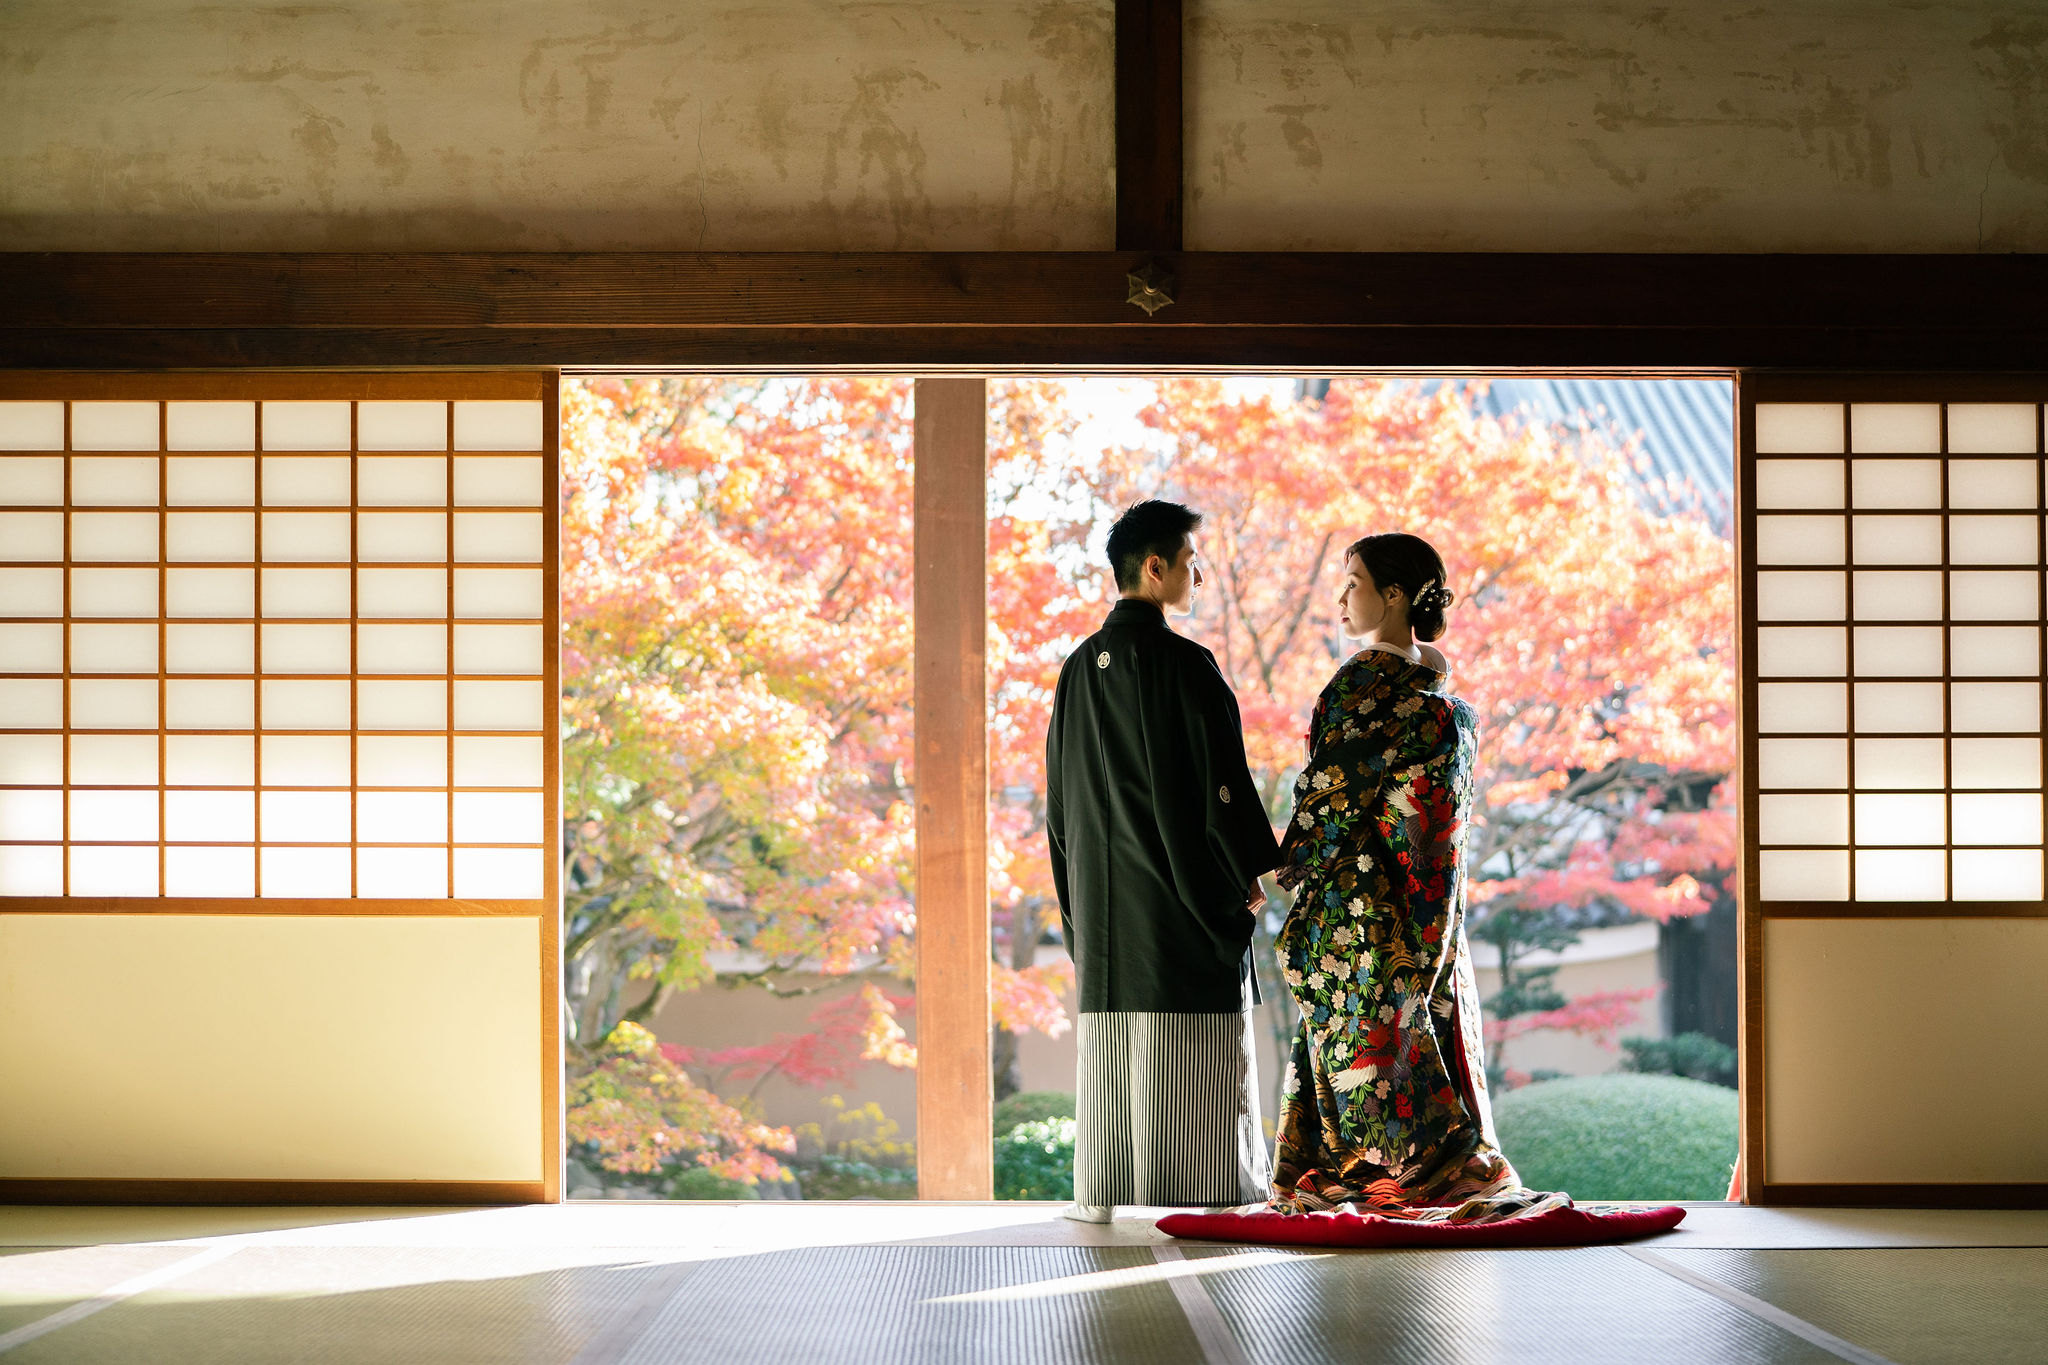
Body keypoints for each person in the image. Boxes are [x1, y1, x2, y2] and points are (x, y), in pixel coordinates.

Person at [1264, 532, 1566, 1222]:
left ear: (1394, 595)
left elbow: (1327, 797)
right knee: (1414, 1029)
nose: (1341, 596)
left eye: (1353, 582)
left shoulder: (1363, 687)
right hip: (1429, 912)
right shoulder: (1447, 706)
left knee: (1361, 1040)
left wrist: (1284, 867)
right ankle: (1427, 1173)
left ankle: (1391, 1175)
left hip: (1361, 910)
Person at [1045, 499, 1281, 1224]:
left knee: (1114, 1042)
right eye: (1190, 561)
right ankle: (1215, 1187)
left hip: (1105, 906)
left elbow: (1059, 808)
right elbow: (1222, 788)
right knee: (1202, 1038)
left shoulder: (1077, 670)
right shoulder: (1186, 664)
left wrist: (1076, 900)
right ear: (1155, 568)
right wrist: (1249, 875)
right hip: (1178, 904)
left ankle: (1100, 1194)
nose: (1198, 574)